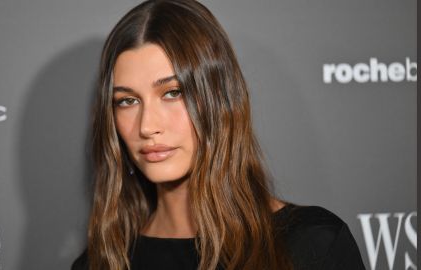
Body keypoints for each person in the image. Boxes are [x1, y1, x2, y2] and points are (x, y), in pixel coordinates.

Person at [72, 0, 366, 269]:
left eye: (174, 93)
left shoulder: (311, 245)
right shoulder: (99, 263)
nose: (147, 126)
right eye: (127, 101)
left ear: (219, 99)